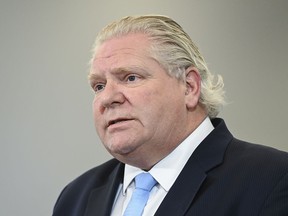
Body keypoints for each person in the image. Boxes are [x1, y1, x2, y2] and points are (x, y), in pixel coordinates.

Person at [53, 15, 288, 216]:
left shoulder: (273, 179)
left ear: (189, 87)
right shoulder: (75, 198)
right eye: (99, 86)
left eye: (130, 77)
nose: (107, 98)